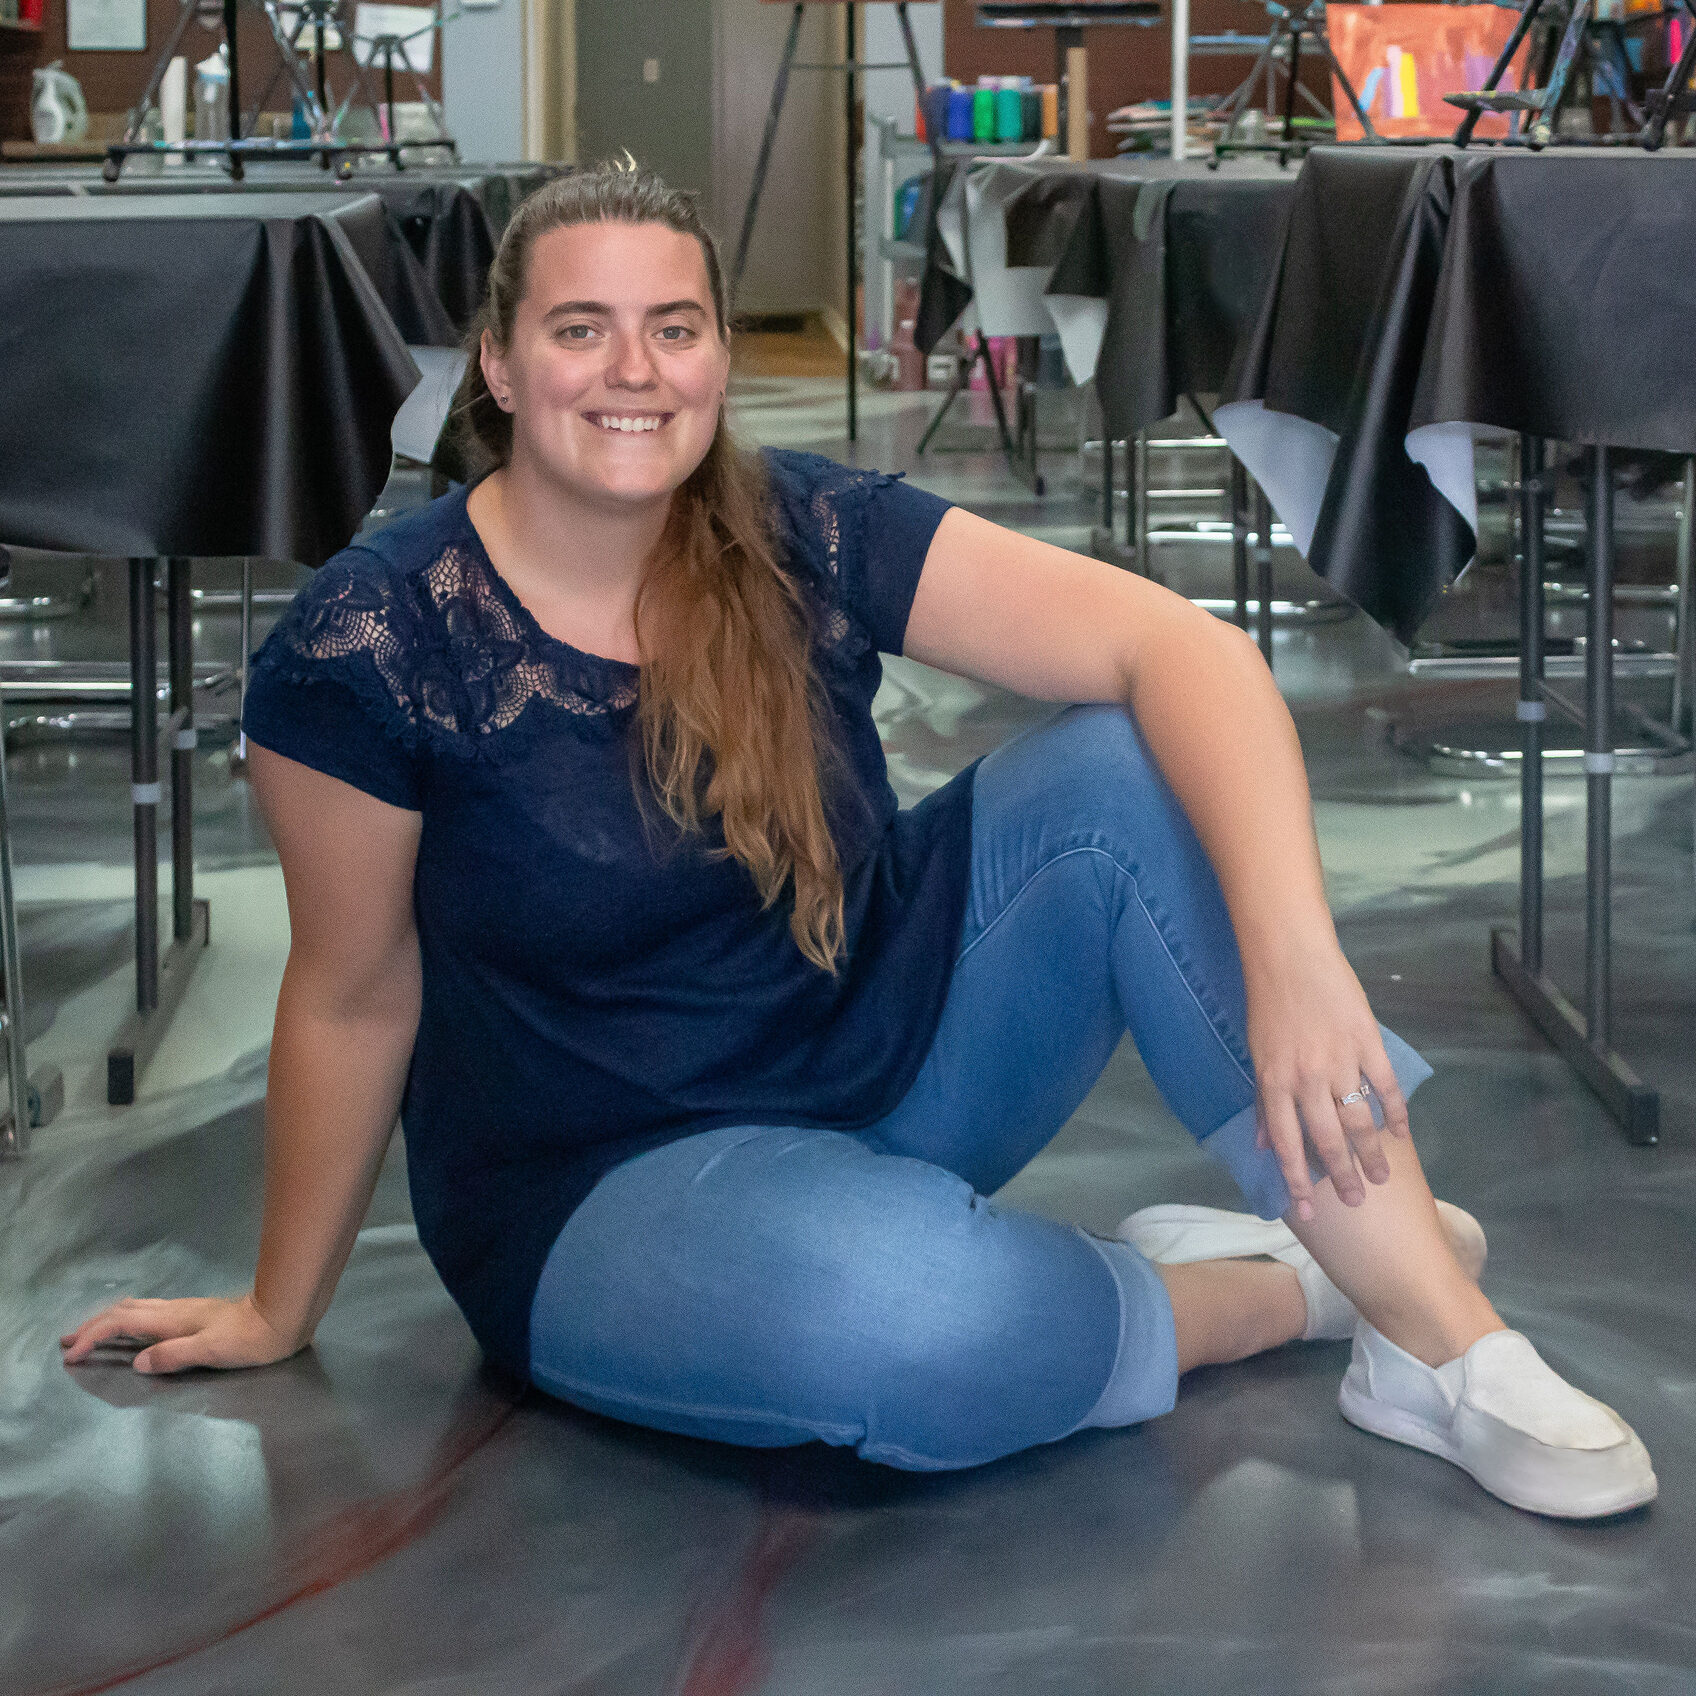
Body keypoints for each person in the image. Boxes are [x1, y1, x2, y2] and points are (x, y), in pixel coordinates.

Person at [62, 165, 1654, 1520]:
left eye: (674, 327)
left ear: (715, 353)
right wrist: (282, 1307)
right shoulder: (373, 643)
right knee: (907, 1327)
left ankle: (1439, 1342)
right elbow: (353, 992)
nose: (635, 369)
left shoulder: (798, 529)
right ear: (497, 363)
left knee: (1128, 771)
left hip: (893, 1060)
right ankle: (1289, 1289)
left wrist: (1299, 963)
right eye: (580, 328)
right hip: (602, 1187)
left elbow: (1186, 650)